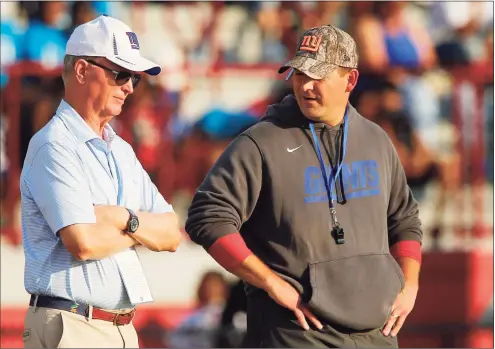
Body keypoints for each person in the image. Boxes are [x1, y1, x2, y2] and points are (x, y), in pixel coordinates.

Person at [185, 25, 423, 348]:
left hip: (376, 335)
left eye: (318, 76)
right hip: (295, 335)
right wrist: (269, 282)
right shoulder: (261, 142)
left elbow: (405, 219)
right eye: (299, 74)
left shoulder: (376, 140)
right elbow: (206, 217)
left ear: (349, 80)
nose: (306, 86)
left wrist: (410, 285)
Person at [21, 15, 182, 348]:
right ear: (82, 71)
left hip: (115, 325)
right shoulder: (54, 144)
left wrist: (123, 218)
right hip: (73, 324)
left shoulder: (120, 149)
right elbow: (84, 243)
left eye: (133, 78)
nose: (129, 87)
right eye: (120, 74)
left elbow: (171, 233)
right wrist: (139, 229)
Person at [167, 271, 228, 348]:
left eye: (216, 286)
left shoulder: (236, 316)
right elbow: (175, 340)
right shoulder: (192, 320)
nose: (212, 290)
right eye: (209, 286)